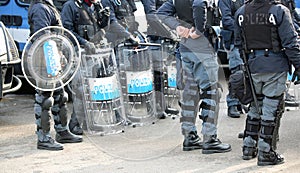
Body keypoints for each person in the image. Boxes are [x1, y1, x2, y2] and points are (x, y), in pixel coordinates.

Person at [157, 0, 231, 154]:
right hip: (202, 50)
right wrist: (198, 30)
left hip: (186, 49)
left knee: (190, 93)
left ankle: (189, 136)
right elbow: (198, 4)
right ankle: (210, 138)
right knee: (211, 92)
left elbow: (162, 13)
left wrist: (177, 27)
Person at [234, 0, 300, 165]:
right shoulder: (279, 11)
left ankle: (249, 147)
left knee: (256, 105)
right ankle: (266, 152)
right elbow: (290, 42)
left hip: (252, 66)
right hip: (275, 65)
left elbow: (238, 43)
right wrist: (298, 65)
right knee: (272, 109)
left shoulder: (242, 12)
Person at [28, 0, 83, 151]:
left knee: (60, 96)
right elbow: (43, 38)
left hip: (52, 58)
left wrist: (60, 56)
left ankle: (62, 131)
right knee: (45, 99)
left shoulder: (47, 6)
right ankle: (44, 138)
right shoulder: (41, 8)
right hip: (44, 59)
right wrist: (55, 58)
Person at [60, 0, 110, 135]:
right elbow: (67, 31)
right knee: (81, 90)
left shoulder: (94, 6)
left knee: (91, 89)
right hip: (78, 55)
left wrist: (106, 19)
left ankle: (89, 123)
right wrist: (84, 43)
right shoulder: (70, 6)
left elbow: (101, 30)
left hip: (93, 56)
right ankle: (75, 124)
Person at [218, 0, 245, 118]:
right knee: (237, 71)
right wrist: (244, 27)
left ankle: (241, 101)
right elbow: (226, 20)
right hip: (235, 40)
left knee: (247, 72)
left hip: (249, 40)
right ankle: (232, 103)